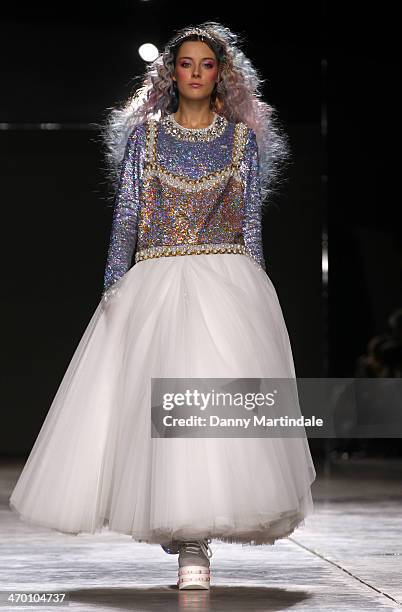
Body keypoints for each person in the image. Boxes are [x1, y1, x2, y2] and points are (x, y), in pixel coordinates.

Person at [9, 22, 316, 591]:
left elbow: (249, 221)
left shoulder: (242, 140)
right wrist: (113, 288)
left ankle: (196, 542)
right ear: (170, 73)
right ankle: (187, 542)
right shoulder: (145, 139)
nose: (196, 73)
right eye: (186, 63)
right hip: (156, 278)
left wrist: (259, 288)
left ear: (220, 74)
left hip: (226, 279)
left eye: (206, 64)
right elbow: (127, 216)